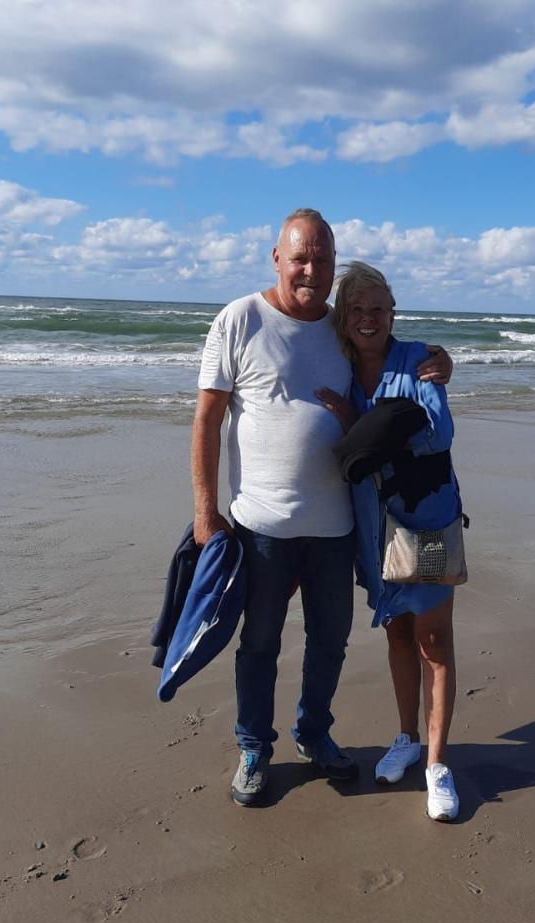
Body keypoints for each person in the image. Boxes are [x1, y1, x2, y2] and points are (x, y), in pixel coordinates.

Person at [192, 209, 452, 807]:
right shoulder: (242, 319)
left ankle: (322, 735)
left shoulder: (356, 335)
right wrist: (206, 512)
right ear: (277, 258)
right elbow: (207, 419)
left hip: (359, 528)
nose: (311, 269)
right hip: (264, 526)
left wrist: (439, 361)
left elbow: (403, 373)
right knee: (262, 641)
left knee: (342, 641)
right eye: (300, 258)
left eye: (323, 260)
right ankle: (255, 748)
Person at [317, 262, 463, 822]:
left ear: (392, 313)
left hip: (427, 522)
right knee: (398, 634)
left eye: (377, 308)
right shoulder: (339, 366)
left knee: (434, 641)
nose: (368, 318)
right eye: (356, 309)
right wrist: (365, 427)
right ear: (343, 317)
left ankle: (438, 765)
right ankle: (406, 738)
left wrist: (364, 431)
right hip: (374, 529)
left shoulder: (420, 359)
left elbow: (439, 433)